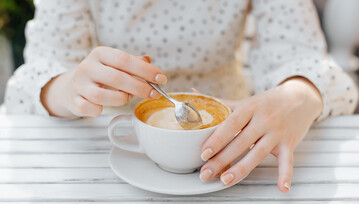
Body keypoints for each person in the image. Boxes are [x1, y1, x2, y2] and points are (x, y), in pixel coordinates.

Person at [5, 0, 358, 192]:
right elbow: (32, 79)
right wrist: (69, 88)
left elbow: (305, 56)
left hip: (233, 144)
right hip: (100, 173)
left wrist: (297, 94)